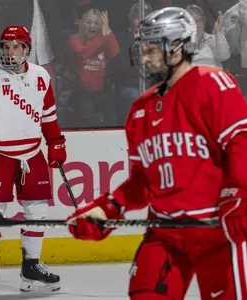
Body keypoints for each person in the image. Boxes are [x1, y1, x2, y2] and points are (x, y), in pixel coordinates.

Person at [67, 7, 247, 300]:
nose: (145, 57)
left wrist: (239, 195)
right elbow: (142, 182)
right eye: (143, 49)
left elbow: (242, 143)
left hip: (216, 231)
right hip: (164, 233)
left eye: (152, 49)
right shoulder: (140, 109)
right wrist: (107, 209)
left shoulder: (213, 84)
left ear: (178, 46)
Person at [0, 25, 66, 294]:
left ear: (27, 49)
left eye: (15, 46)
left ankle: (31, 264)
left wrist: (55, 142)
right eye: (5, 47)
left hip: (32, 153)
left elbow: (48, 114)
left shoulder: (41, 76)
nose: (9, 52)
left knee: (37, 209)